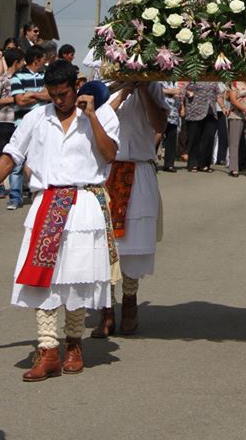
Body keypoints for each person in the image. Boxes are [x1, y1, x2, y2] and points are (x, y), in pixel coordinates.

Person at [0, 60, 119, 381]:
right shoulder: (37, 117)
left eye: (63, 93)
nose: (58, 100)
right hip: (47, 202)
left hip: (83, 203)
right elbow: (12, 155)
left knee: (75, 279)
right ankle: (48, 349)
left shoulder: (100, 114)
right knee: (43, 278)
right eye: (52, 94)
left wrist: (90, 116)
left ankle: (74, 344)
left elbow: (109, 154)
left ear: (77, 85)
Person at [91, 82, 167, 338]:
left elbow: (160, 125)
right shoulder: (105, 86)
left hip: (139, 167)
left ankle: (130, 299)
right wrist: (122, 91)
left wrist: (142, 89)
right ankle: (107, 307)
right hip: (107, 171)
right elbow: (95, 119)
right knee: (103, 243)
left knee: (133, 243)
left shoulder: (153, 85)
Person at [8, 45, 50, 210]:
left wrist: (30, 94)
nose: (45, 61)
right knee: (17, 162)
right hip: (21, 124)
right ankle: (15, 198)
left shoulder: (46, 75)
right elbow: (19, 101)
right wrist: (39, 94)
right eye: (43, 58)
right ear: (36, 59)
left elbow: (49, 95)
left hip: (42, 123)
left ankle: (36, 194)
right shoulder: (17, 76)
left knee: (39, 160)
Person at [0, 47, 26, 198]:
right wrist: (13, 99)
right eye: (22, 61)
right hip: (4, 120)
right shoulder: (2, 79)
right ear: (16, 62)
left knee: (18, 153)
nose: (24, 63)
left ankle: (17, 186)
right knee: (1, 152)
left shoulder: (22, 79)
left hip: (19, 121)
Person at [184, 82, 219, 172]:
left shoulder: (212, 78)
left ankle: (204, 164)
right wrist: (188, 92)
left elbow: (218, 94)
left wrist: (223, 107)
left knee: (208, 138)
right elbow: (182, 89)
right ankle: (193, 164)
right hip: (195, 110)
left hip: (210, 111)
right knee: (194, 138)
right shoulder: (193, 76)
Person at [227, 80, 246, 178]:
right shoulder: (235, 84)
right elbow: (233, 100)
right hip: (237, 114)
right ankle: (234, 168)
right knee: (234, 142)